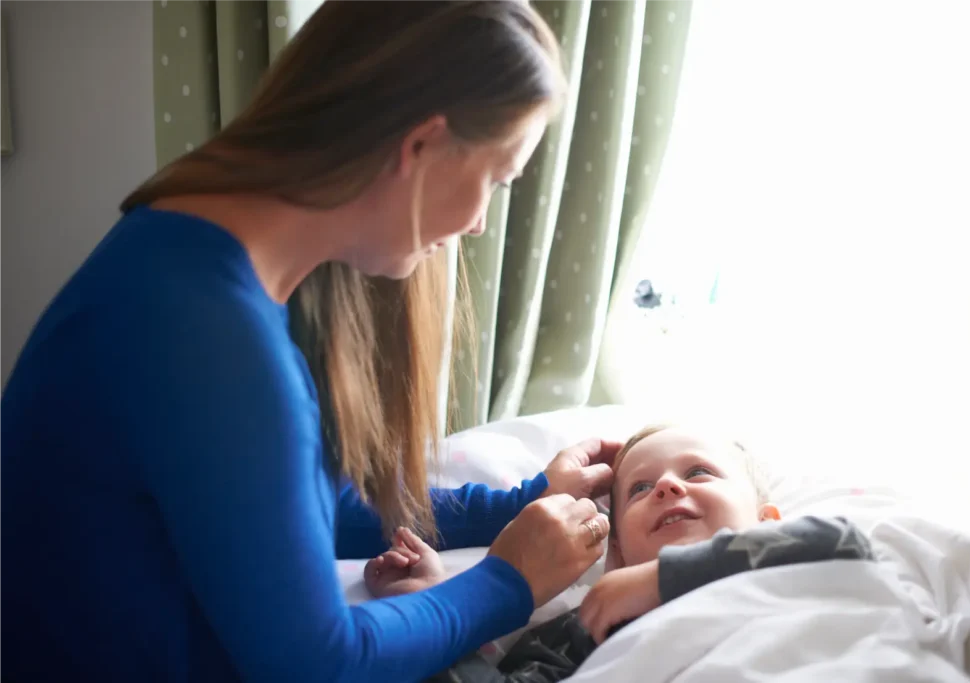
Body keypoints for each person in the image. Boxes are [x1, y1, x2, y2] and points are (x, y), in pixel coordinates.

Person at [0, 2, 617, 681]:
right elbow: (317, 662)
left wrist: (514, 503)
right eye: (496, 181)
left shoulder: (183, 245)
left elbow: (281, 505)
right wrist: (509, 582)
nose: (477, 225)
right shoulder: (214, 338)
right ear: (421, 147)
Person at [371, 426, 876, 683]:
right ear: (615, 553)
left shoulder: (789, 563)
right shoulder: (587, 624)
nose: (668, 487)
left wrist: (665, 578)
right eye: (641, 488)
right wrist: (437, 605)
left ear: (766, 521)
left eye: (698, 473)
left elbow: (849, 546)